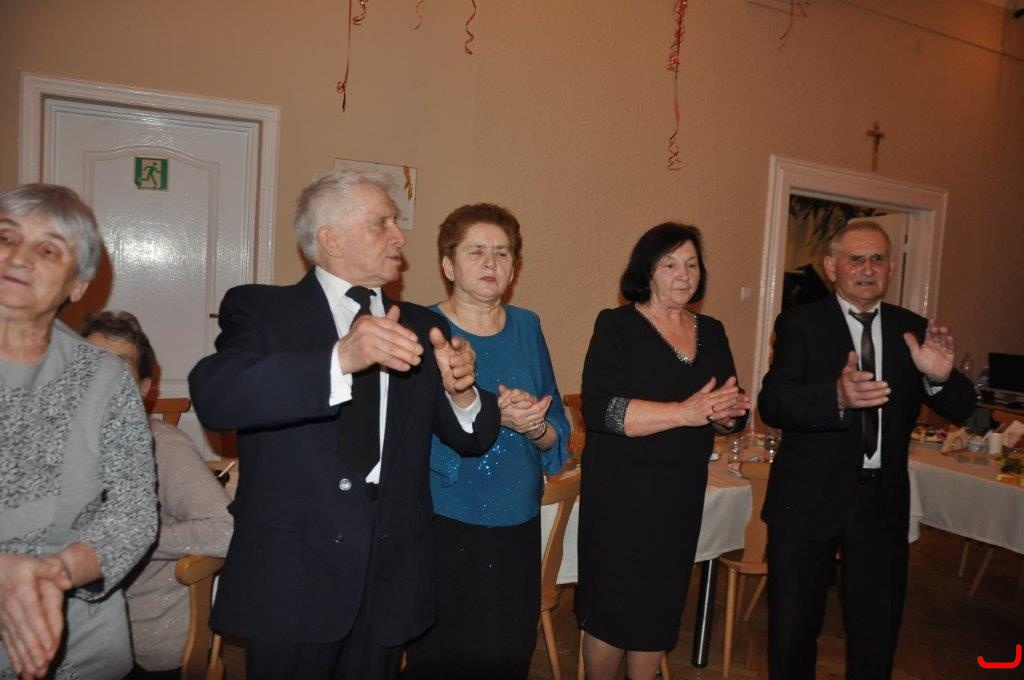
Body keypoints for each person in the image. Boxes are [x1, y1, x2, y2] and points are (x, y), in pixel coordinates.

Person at [187, 171, 500, 679]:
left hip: (389, 580)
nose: (399, 237)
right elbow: (217, 396)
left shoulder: (421, 324)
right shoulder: (262, 309)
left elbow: (472, 437)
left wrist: (461, 392)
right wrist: (341, 359)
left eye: (396, 223)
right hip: (293, 579)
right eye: (382, 223)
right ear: (330, 239)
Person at [757, 221, 976, 679]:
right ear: (831, 267)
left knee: (876, 632)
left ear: (891, 267)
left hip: (880, 501)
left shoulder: (911, 330)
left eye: (877, 258)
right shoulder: (800, 324)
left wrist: (938, 377)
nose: (867, 268)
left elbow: (962, 408)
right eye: (855, 259)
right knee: (793, 630)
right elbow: (773, 404)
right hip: (808, 498)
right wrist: (834, 396)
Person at [401, 204, 571, 679]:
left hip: (518, 515)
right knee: (443, 657)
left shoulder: (528, 325)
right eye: (476, 251)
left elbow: (556, 421)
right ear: (448, 264)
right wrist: (493, 413)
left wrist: (533, 425)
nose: (491, 262)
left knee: (509, 653)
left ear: (514, 267)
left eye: (503, 252)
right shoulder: (422, 328)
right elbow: (405, 430)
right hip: (445, 516)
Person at [575, 223, 749, 680]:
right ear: (647, 271)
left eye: (692, 264)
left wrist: (728, 414)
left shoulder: (712, 331)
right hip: (620, 499)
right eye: (670, 264)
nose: (684, 274)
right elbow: (601, 411)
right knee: (611, 611)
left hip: (680, 496)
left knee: (659, 606)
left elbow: (727, 406)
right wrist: (685, 413)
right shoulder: (616, 326)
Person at [0, 184, 157, 679]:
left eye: (48, 250)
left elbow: (133, 511)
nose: (19, 258)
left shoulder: (106, 377)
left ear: (78, 285)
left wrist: (57, 572)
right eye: (6, 238)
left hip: (84, 643)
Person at [81, 310, 233, 678]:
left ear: (143, 388)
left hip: (139, 643)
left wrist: (127, 535)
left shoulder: (163, 446)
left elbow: (226, 530)